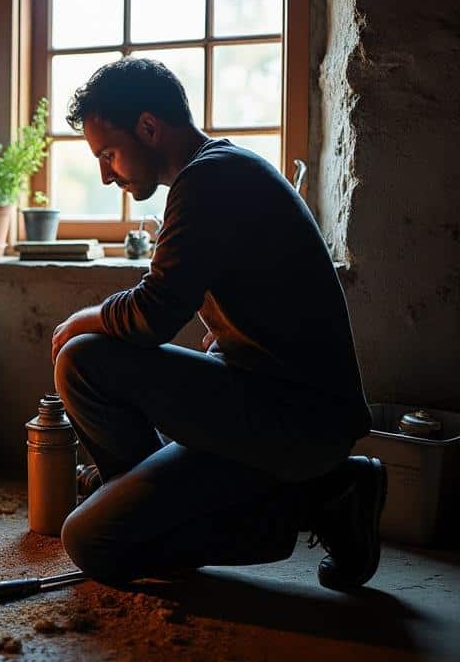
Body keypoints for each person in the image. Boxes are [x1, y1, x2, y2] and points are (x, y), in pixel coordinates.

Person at [50, 57, 382, 590]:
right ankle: (159, 503)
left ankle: (317, 498)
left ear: (149, 128)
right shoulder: (213, 173)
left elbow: (151, 313)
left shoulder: (210, 179)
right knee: (83, 364)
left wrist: (80, 318)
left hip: (297, 424)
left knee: (92, 540)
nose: (105, 173)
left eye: (108, 154)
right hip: (263, 404)